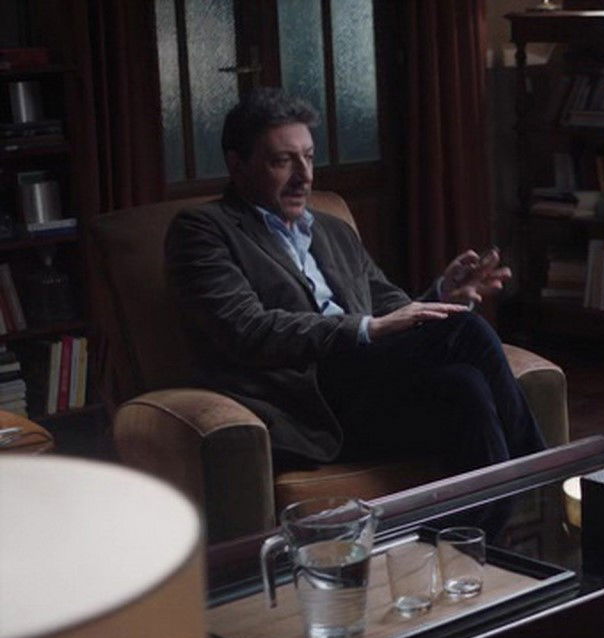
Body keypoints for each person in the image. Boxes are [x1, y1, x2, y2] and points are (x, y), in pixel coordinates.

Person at [165, 88, 545, 473]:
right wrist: (364, 329)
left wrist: (443, 295)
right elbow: (247, 330)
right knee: (468, 331)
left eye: (308, 157)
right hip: (306, 401)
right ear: (237, 165)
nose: (304, 177)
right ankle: (542, 479)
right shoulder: (203, 230)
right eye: (282, 161)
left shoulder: (333, 229)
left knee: (467, 386)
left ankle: (492, 512)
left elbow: (388, 306)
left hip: (370, 388)